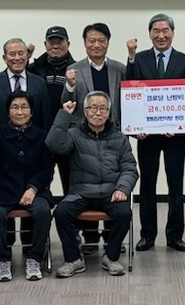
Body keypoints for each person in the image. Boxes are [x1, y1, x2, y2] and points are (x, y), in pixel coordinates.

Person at [46, 91, 139, 278]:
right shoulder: (73, 134)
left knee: (124, 213)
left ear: (109, 112)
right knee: (61, 212)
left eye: (103, 108)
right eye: (93, 108)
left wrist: (122, 188)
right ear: (85, 111)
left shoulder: (119, 137)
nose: (98, 113)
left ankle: (111, 257)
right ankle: (73, 259)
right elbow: (53, 145)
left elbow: (130, 168)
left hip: (110, 192)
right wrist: (64, 115)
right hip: (81, 192)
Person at [125, 13, 185, 252]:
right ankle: (148, 234)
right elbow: (131, 91)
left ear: (173, 33)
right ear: (150, 34)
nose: (161, 35)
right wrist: (136, 129)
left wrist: (179, 125)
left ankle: (175, 235)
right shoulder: (138, 59)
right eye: (156, 31)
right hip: (147, 136)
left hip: (175, 137)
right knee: (147, 185)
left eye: (165, 30)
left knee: (176, 185)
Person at [62, 23, 126, 252]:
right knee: (86, 184)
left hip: (113, 136)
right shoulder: (74, 69)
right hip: (84, 137)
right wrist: (70, 86)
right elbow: (66, 103)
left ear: (108, 42)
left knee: (112, 183)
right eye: (92, 40)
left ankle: (111, 239)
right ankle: (89, 237)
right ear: (84, 43)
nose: (96, 44)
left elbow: (128, 100)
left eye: (101, 40)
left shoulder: (119, 69)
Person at [0, 92, 54, 282]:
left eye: (24, 107)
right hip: (3, 190)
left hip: (34, 191)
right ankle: (2, 259)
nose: (20, 112)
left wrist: (33, 188)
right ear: (8, 112)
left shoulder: (42, 136)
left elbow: (47, 169)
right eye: (15, 107)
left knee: (43, 211)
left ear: (31, 112)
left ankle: (34, 258)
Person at [28, 26, 76, 197]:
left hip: (67, 134)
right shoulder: (33, 69)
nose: (55, 46)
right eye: (51, 42)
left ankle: (71, 214)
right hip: (40, 133)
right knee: (38, 183)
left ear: (68, 44)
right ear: (45, 44)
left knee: (71, 183)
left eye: (60, 42)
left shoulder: (77, 69)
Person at [0, 38, 51, 130]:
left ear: (27, 56)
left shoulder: (39, 82)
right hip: (1, 137)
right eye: (12, 54)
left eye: (21, 53)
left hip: (33, 137)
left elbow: (46, 117)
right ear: (4, 58)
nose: (17, 58)